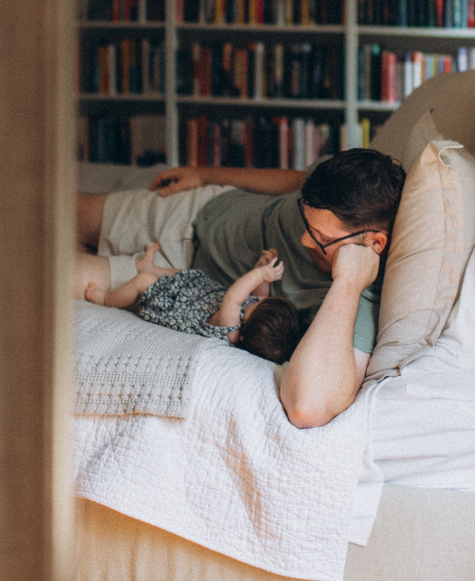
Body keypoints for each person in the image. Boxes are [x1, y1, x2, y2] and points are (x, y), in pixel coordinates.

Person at [75, 148, 405, 428]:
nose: (305, 240)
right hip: (199, 210)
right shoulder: (341, 184)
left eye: (322, 240)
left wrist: (347, 282)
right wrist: (203, 174)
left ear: (373, 243)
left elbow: (307, 408)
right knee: (49, 209)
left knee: (41, 272)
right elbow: (294, 181)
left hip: (177, 279)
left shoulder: (359, 299)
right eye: (306, 224)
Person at [85, 244, 301, 365]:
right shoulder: (255, 311)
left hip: (174, 307)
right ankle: (148, 266)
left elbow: (234, 296)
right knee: (182, 274)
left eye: (255, 305)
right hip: (195, 292)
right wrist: (262, 269)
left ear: (244, 334)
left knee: (144, 283)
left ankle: (107, 299)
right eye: (265, 300)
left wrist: (259, 274)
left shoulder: (231, 331)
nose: (256, 299)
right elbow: (258, 293)